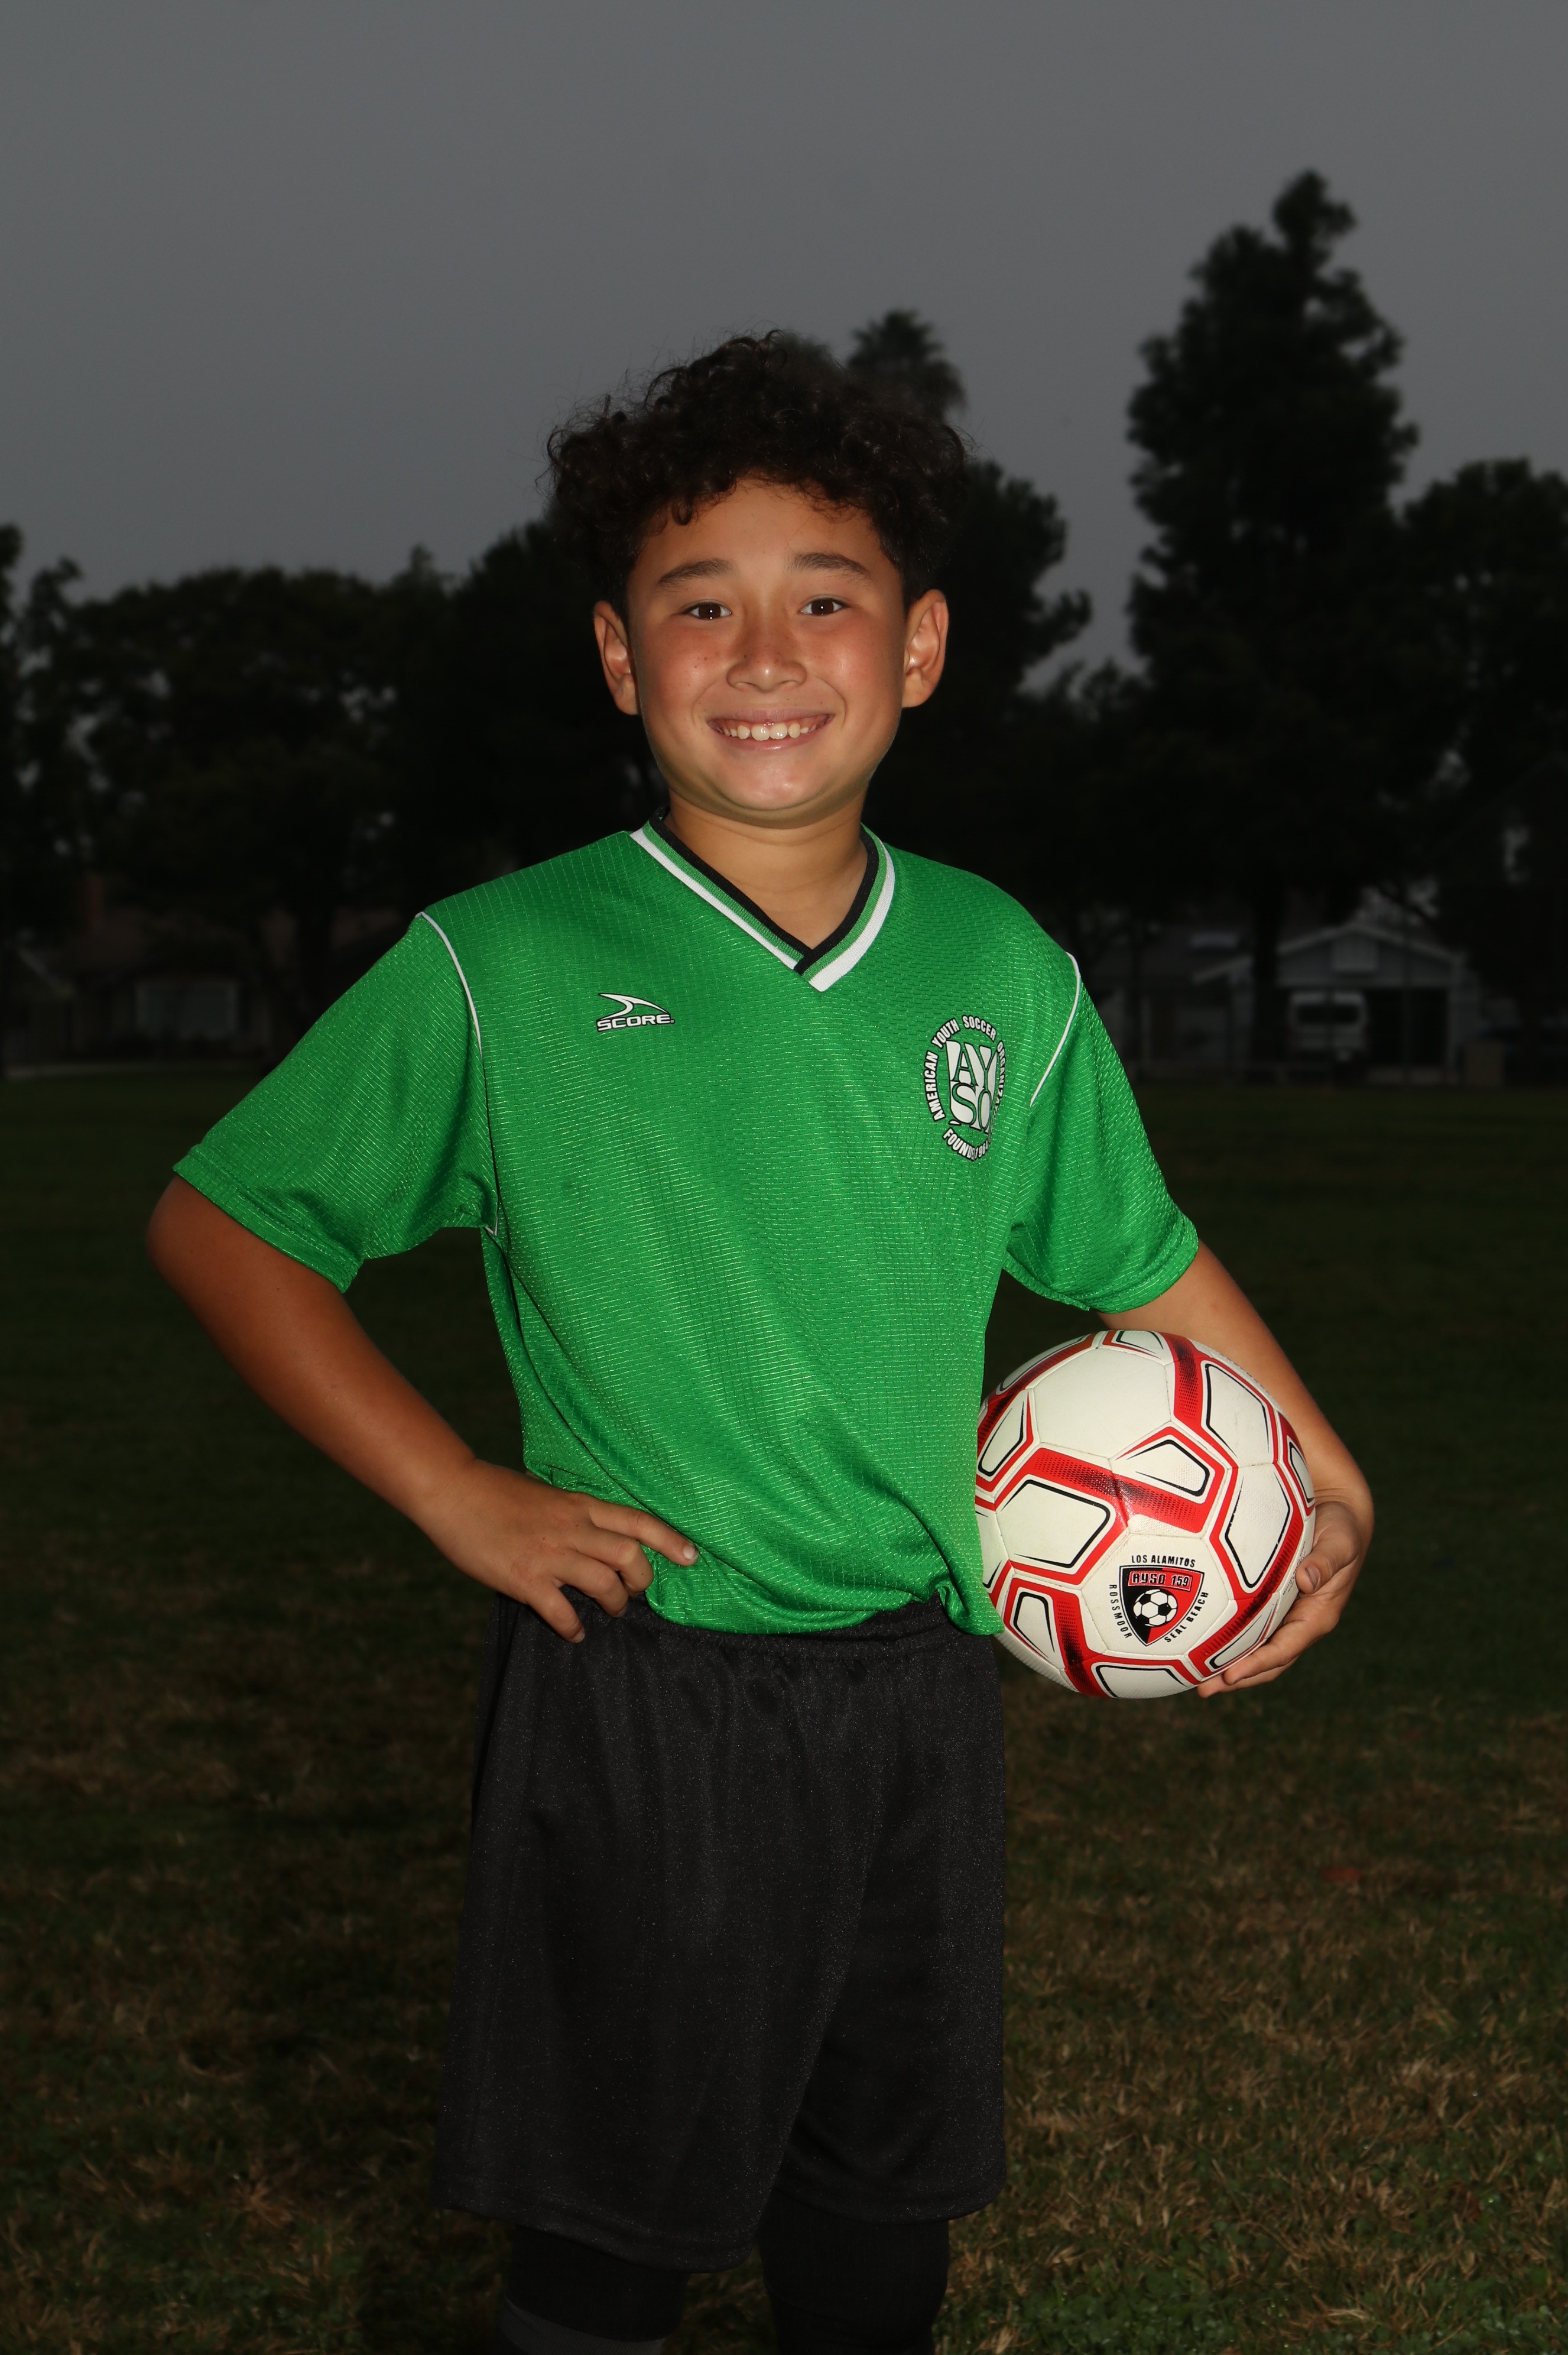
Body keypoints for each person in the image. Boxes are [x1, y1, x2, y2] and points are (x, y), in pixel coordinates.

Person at [147, 334, 1373, 2355]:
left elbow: (1137, 1254)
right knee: (612, 2244)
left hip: (921, 1679)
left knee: (882, 2215)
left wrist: (1324, 1472)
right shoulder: (507, 963)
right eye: (699, 605)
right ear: (620, 659)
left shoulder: (999, 966)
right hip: (649, 1688)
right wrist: (452, 1492)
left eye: (827, 597)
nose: (767, 652)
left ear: (922, 648)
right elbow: (227, 1223)